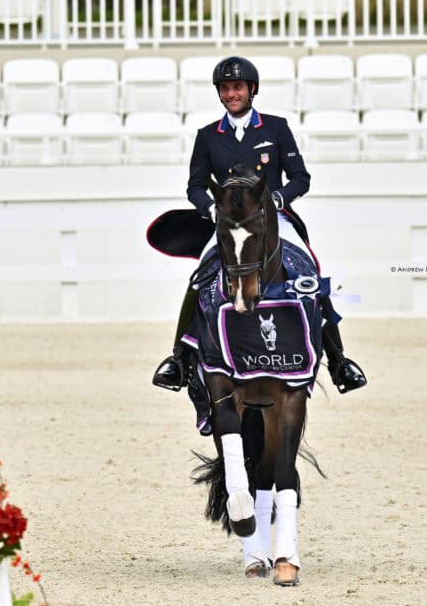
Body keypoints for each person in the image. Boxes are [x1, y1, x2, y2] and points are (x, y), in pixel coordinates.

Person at [152, 56, 367, 430]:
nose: (231, 93)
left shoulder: (277, 128)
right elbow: (195, 185)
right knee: (200, 277)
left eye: (238, 87)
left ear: (252, 89)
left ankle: (339, 359)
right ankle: (178, 358)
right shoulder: (207, 136)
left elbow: (301, 177)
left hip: (273, 218)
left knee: (310, 273)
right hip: (227, 222)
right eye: (225, 88)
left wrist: (279, 200)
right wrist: (211, 209)